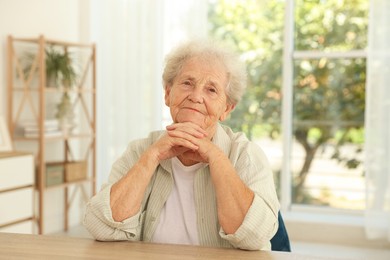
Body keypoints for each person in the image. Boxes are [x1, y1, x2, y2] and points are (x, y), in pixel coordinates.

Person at [83, 39, 280, 251]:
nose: (196, 97)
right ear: (168, 94)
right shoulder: (140, 150)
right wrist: (153, 155)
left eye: (211, 90)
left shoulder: (246, 155)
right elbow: (100, 227)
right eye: (187, 83)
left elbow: (255, 237)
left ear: (227, 109)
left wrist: (216, 157)